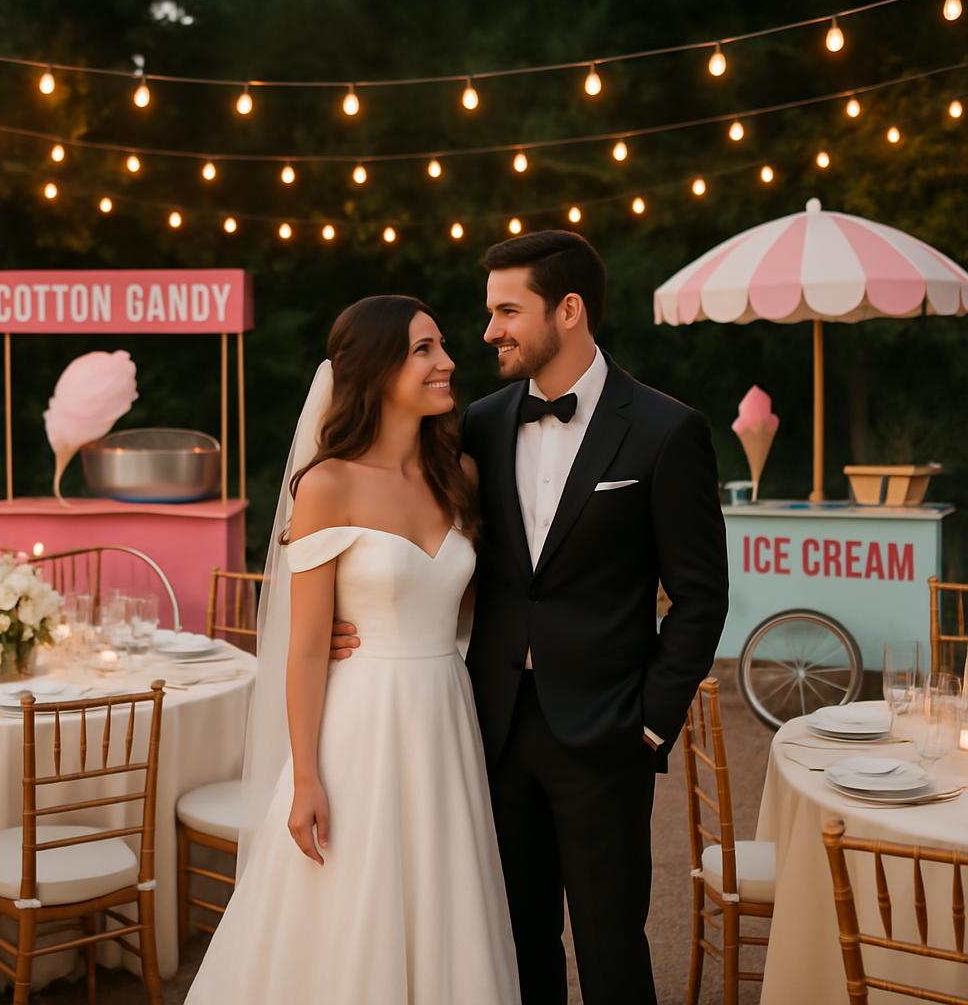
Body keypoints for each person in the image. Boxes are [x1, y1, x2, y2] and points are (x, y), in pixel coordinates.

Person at [332, 231, 730, 1004]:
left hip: (607, 734)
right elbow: (396, 518)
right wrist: (353, 621)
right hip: (491, 731)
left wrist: (649, 723)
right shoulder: (474, 422)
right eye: (488, 312)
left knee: (613, 946)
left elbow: (701, 596)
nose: (489, 332)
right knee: (513, 944)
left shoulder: (665, 431)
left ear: (569, 310)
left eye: (507, 310)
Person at [186, 295, 520, 1004]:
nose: (448, 361)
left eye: (441, 346)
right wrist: (305, 777)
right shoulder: (327, 485)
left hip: (444, 717)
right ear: (376, 370)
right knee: (354, 903)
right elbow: (305, 649)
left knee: (443, 898)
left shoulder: (459, 476)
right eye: (424, 349)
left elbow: (461, 603)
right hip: (361, 727)